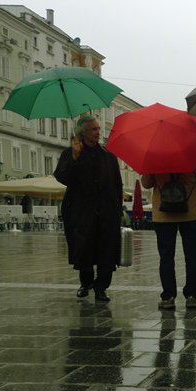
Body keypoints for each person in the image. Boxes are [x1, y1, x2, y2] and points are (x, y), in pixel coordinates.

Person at [54, 115, 123, 302]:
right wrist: (74, 159)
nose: (98, 132)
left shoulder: (108, 156)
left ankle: (101, 287)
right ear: (82, 132)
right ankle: (85, 283)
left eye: (98, 129)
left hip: (107, 211)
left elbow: (117, 185)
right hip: (82, 211)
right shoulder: (70, 154)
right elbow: (62, 177)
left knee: (106, 250)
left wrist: (118, 210)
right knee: (83, 248)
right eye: (93, 129)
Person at [140, 162, 196, 310]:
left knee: (166, 257)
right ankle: (192, 296)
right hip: (191, 214)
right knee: (193, 257)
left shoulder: (156, 158)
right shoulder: (193, 157)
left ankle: (168, 297)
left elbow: (146, 183)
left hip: (163, 215)